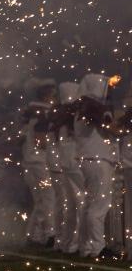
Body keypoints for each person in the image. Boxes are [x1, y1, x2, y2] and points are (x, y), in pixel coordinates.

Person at [74, 73, 119, 259]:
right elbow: (113, 128)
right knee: (99, 206)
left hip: (88, 159)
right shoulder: (93, 107)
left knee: (90, 206)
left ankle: (87, 247)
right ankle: (98, 247)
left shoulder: (82, 107)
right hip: (98, 160)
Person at [20, 79, 56, 248]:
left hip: (30, 161)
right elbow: (41, 141)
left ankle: (34, 235)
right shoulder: (42, 112)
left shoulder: (30, 112)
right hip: (40, 161)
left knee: (40, 200)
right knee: (48, 198)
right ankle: (49, 234)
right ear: (46, 93)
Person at [50, 82, 84, 254]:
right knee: (80, 203)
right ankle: (76, 243)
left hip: (64, 162)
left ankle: (65, 241)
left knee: (69, 205)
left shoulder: (59, 115)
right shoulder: (71, 115)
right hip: (73, 162)